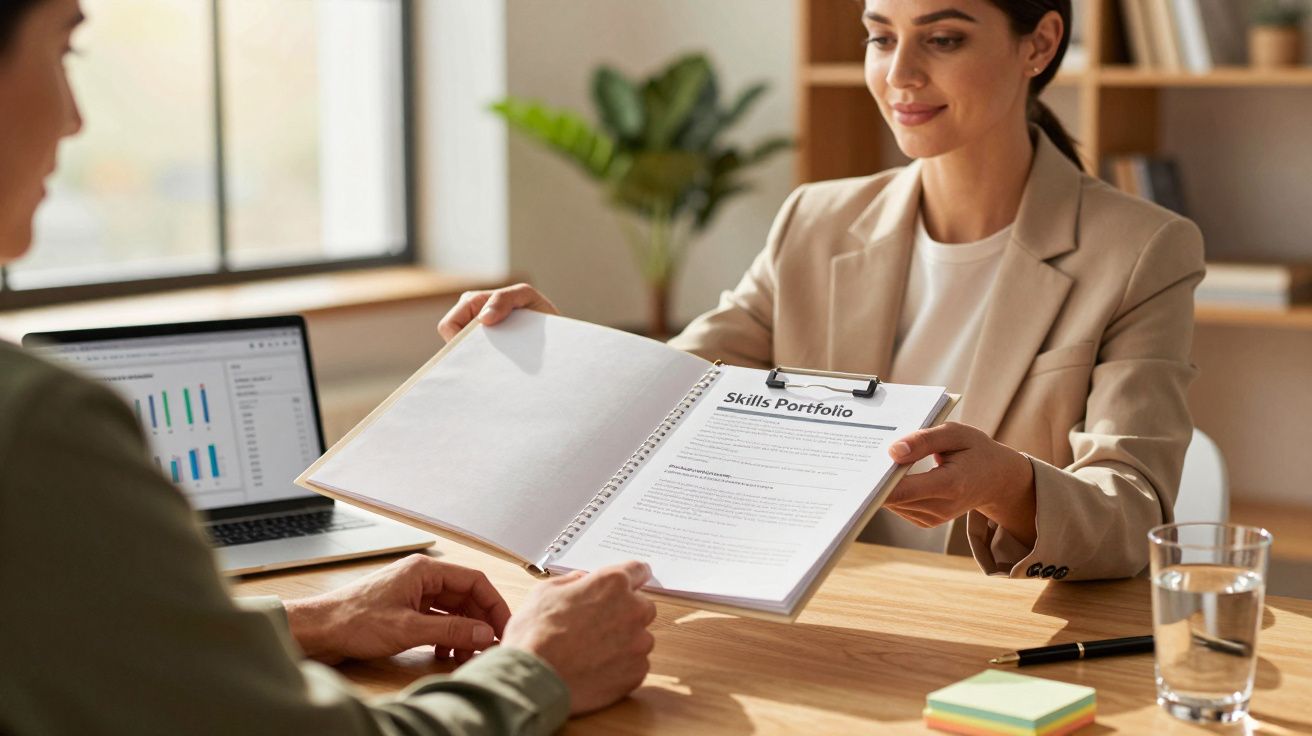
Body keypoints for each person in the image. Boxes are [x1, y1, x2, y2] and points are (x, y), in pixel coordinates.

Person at [0, 1, 655, 733]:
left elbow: (72, 645)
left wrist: (317, 619)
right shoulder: (37, 427)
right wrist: (538, 668)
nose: (75, 119)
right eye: (64, 51)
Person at [440, 0, 1205, 583]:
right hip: (818, 612)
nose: (900, 74)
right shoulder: (816, 220)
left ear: (1038, 44)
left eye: (942, 39)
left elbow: (1133, 514)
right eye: (880, 37)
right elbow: (678, 390)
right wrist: (558, 355)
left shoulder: (1141, 250)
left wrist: (1010, 485)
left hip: (997, 635)